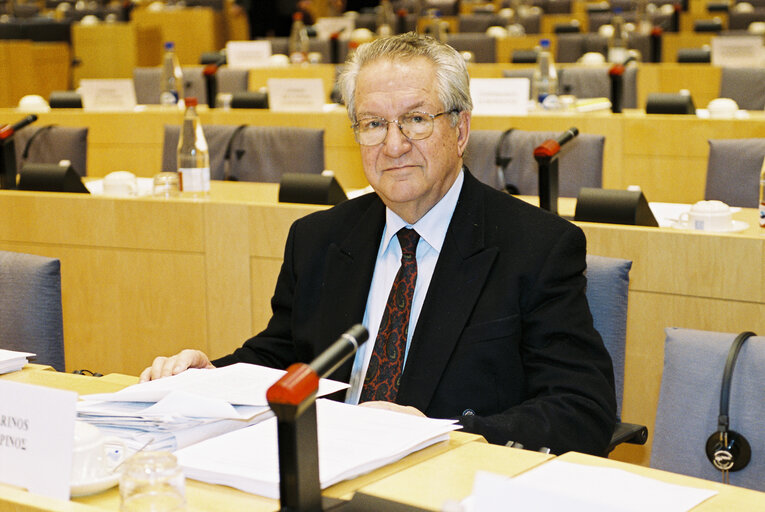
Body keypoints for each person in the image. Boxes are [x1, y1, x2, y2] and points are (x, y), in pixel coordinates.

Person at [141, 33, 617, 456]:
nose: (393, 145)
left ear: (461, 130)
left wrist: (447, 434)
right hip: (325, 470)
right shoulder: (318, 238)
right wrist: (211, 376)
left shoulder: (537, 247)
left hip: (448, 481)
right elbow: (286, 354)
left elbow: (582, 408)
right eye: (373, 124)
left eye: (415, 119)